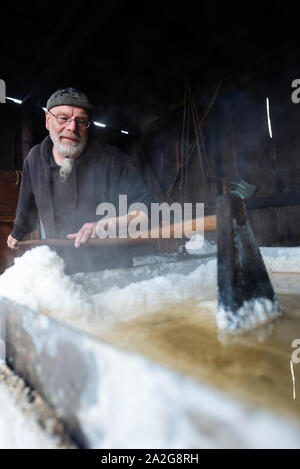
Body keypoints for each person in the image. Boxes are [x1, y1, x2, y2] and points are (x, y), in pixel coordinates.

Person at [7, 88, 152, 273]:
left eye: (81, 121)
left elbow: (146, 212)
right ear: (47, 120)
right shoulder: (34, 158)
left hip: (111, 269)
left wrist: (103, 226)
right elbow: (26, 205)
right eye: (63, 118)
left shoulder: (115, 162)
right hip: (59, 269)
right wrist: (18, 231)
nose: (72, 128)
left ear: (88, 126)